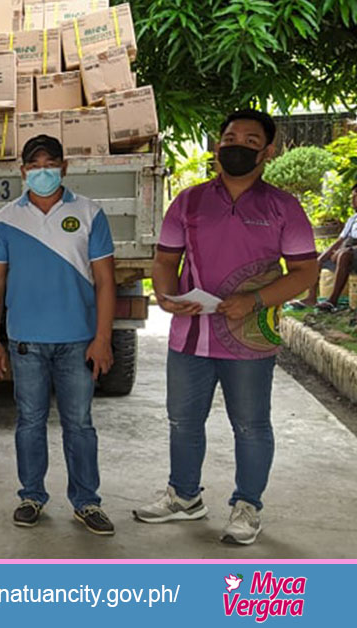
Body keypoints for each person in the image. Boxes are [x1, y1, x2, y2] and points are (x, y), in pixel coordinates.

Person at [135, 109, 319, 545]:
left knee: (252, 425)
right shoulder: (189, 201)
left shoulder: (283, 207)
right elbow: (164, 261)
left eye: (251, 140)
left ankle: (247, 505)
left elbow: (305, 273)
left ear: (268, 152)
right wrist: (165, 295)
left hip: (251, 340)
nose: (237, 145)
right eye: (229, 137)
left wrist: (253, 301)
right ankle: (184, 496)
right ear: (217, 145)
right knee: (183, 421)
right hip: (190, 335)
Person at [0, 135, 117, 535]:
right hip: (26, 341)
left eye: (50, 163)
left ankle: (86, 502)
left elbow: (106, 283)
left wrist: (103, 338)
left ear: (64, 167)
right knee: (29, 421)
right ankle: (31, 495)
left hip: (78, 340)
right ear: (23, 170)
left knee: (79, 424)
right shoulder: (5, 219)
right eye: (34, 164)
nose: (42, 171)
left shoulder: (90, 213)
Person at [290, 182, 356, 312]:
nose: (352, 201)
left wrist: (343, 251)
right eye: (352, 197)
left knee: (344, 254)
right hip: (345, 251)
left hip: (350, 255)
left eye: (356, 197)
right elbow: (339, 241)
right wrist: (322, 257)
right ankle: (311, 297)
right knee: (313, 256)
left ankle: (332, 301)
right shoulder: (353, 219)